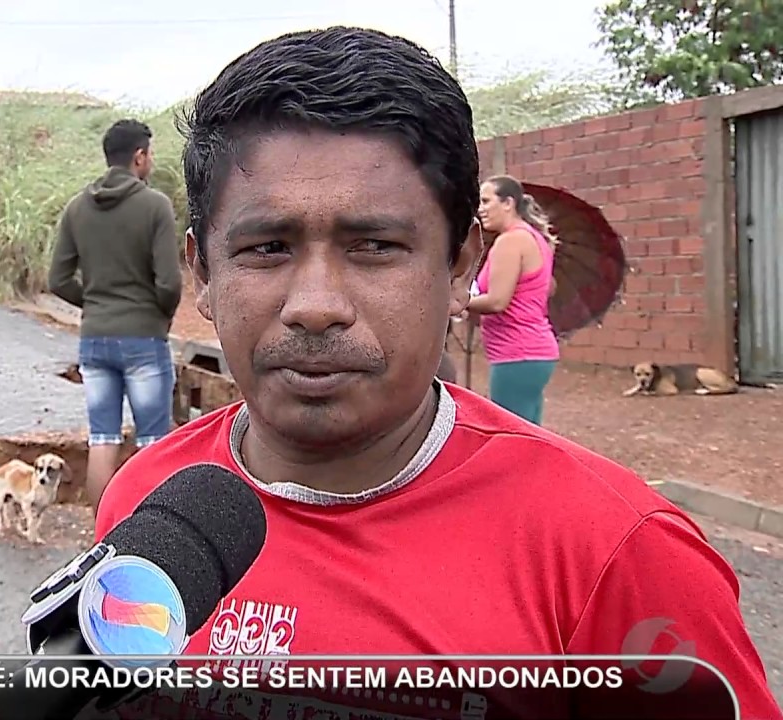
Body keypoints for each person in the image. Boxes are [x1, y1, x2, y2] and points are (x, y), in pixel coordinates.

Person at [94, 26, 780, 720]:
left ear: (458, 265)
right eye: (267, 247)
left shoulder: (617, 557)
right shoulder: (148, 509)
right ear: (203, 272)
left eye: (376, 246)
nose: (316, 307)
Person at [47, 119, 183, 514]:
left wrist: (92, 303)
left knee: (102, 438)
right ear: (139, 157)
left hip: (94, 339)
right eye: (150, 154)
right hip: (143, 336)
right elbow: (169, 283)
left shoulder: (77, 208)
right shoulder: (154, 205)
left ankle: (102, 531)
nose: (151, 161)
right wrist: (160, 316)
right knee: (153, 442)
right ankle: (154, 531)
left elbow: (57, 279)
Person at [465, 174, 561, 424]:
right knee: (529, 435)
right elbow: (547, 288)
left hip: (517, 353)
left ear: (508, 203)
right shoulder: (535, 239)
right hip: (533, 353)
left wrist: (455, 303)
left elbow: (497, 302)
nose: (480, 209)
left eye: (486, 201)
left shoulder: (510, 242)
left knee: (509, 434)